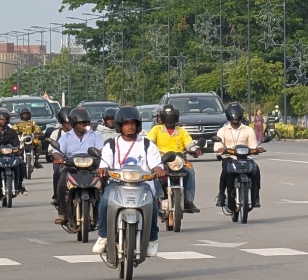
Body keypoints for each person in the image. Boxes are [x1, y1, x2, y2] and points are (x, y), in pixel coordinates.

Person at [92, 107, 166, 256]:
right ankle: (103, 236)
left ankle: (152, 239)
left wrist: (158, 169)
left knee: (152, 205)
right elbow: (104, 163)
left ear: (138, 125)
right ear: (120, 125)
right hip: (117, 183)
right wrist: (103, 169)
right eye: (126, 123)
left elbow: (156, 164)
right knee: (105, 201)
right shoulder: (111, 144)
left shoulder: (147, 144)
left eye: (133, 123)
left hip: (142, 184)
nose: (130, 126)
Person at [51, 107, 104, 224]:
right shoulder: (65, 137)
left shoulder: (95, 136)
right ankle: (62, 213)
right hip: (72, 167)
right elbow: (57, 152)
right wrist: (58, 157)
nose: (85, 125)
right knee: (61, 181)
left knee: (104, 180)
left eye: (87, 123)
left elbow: (101, 149)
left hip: (92, 167)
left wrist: (102, 156)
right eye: (81, 123)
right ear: (74, 124)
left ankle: (103, 211)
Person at [147, 105, 200, 213]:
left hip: (179, 160)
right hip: (161, 161)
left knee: (190, 171)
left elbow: (189, 143)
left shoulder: (181, 131)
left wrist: (194, 149)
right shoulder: (156, 129)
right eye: (167, 116)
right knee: (155, 174)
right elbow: (149, 141)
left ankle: (188, 200)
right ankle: (158, 198)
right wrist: (148, 148)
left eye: (171, 116)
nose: (169, 119)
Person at [215, 102, 264, 212]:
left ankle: (256, 196)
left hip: (245, 158)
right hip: (229, 157)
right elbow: (218, 145)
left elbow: (253, 146)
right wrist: (220, 149)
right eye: (233, 118)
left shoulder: (248, 130)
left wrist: (257, 149)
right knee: (225, 172)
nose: (235, 120)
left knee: (256, 170)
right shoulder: (222, 131)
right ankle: (221, 195)